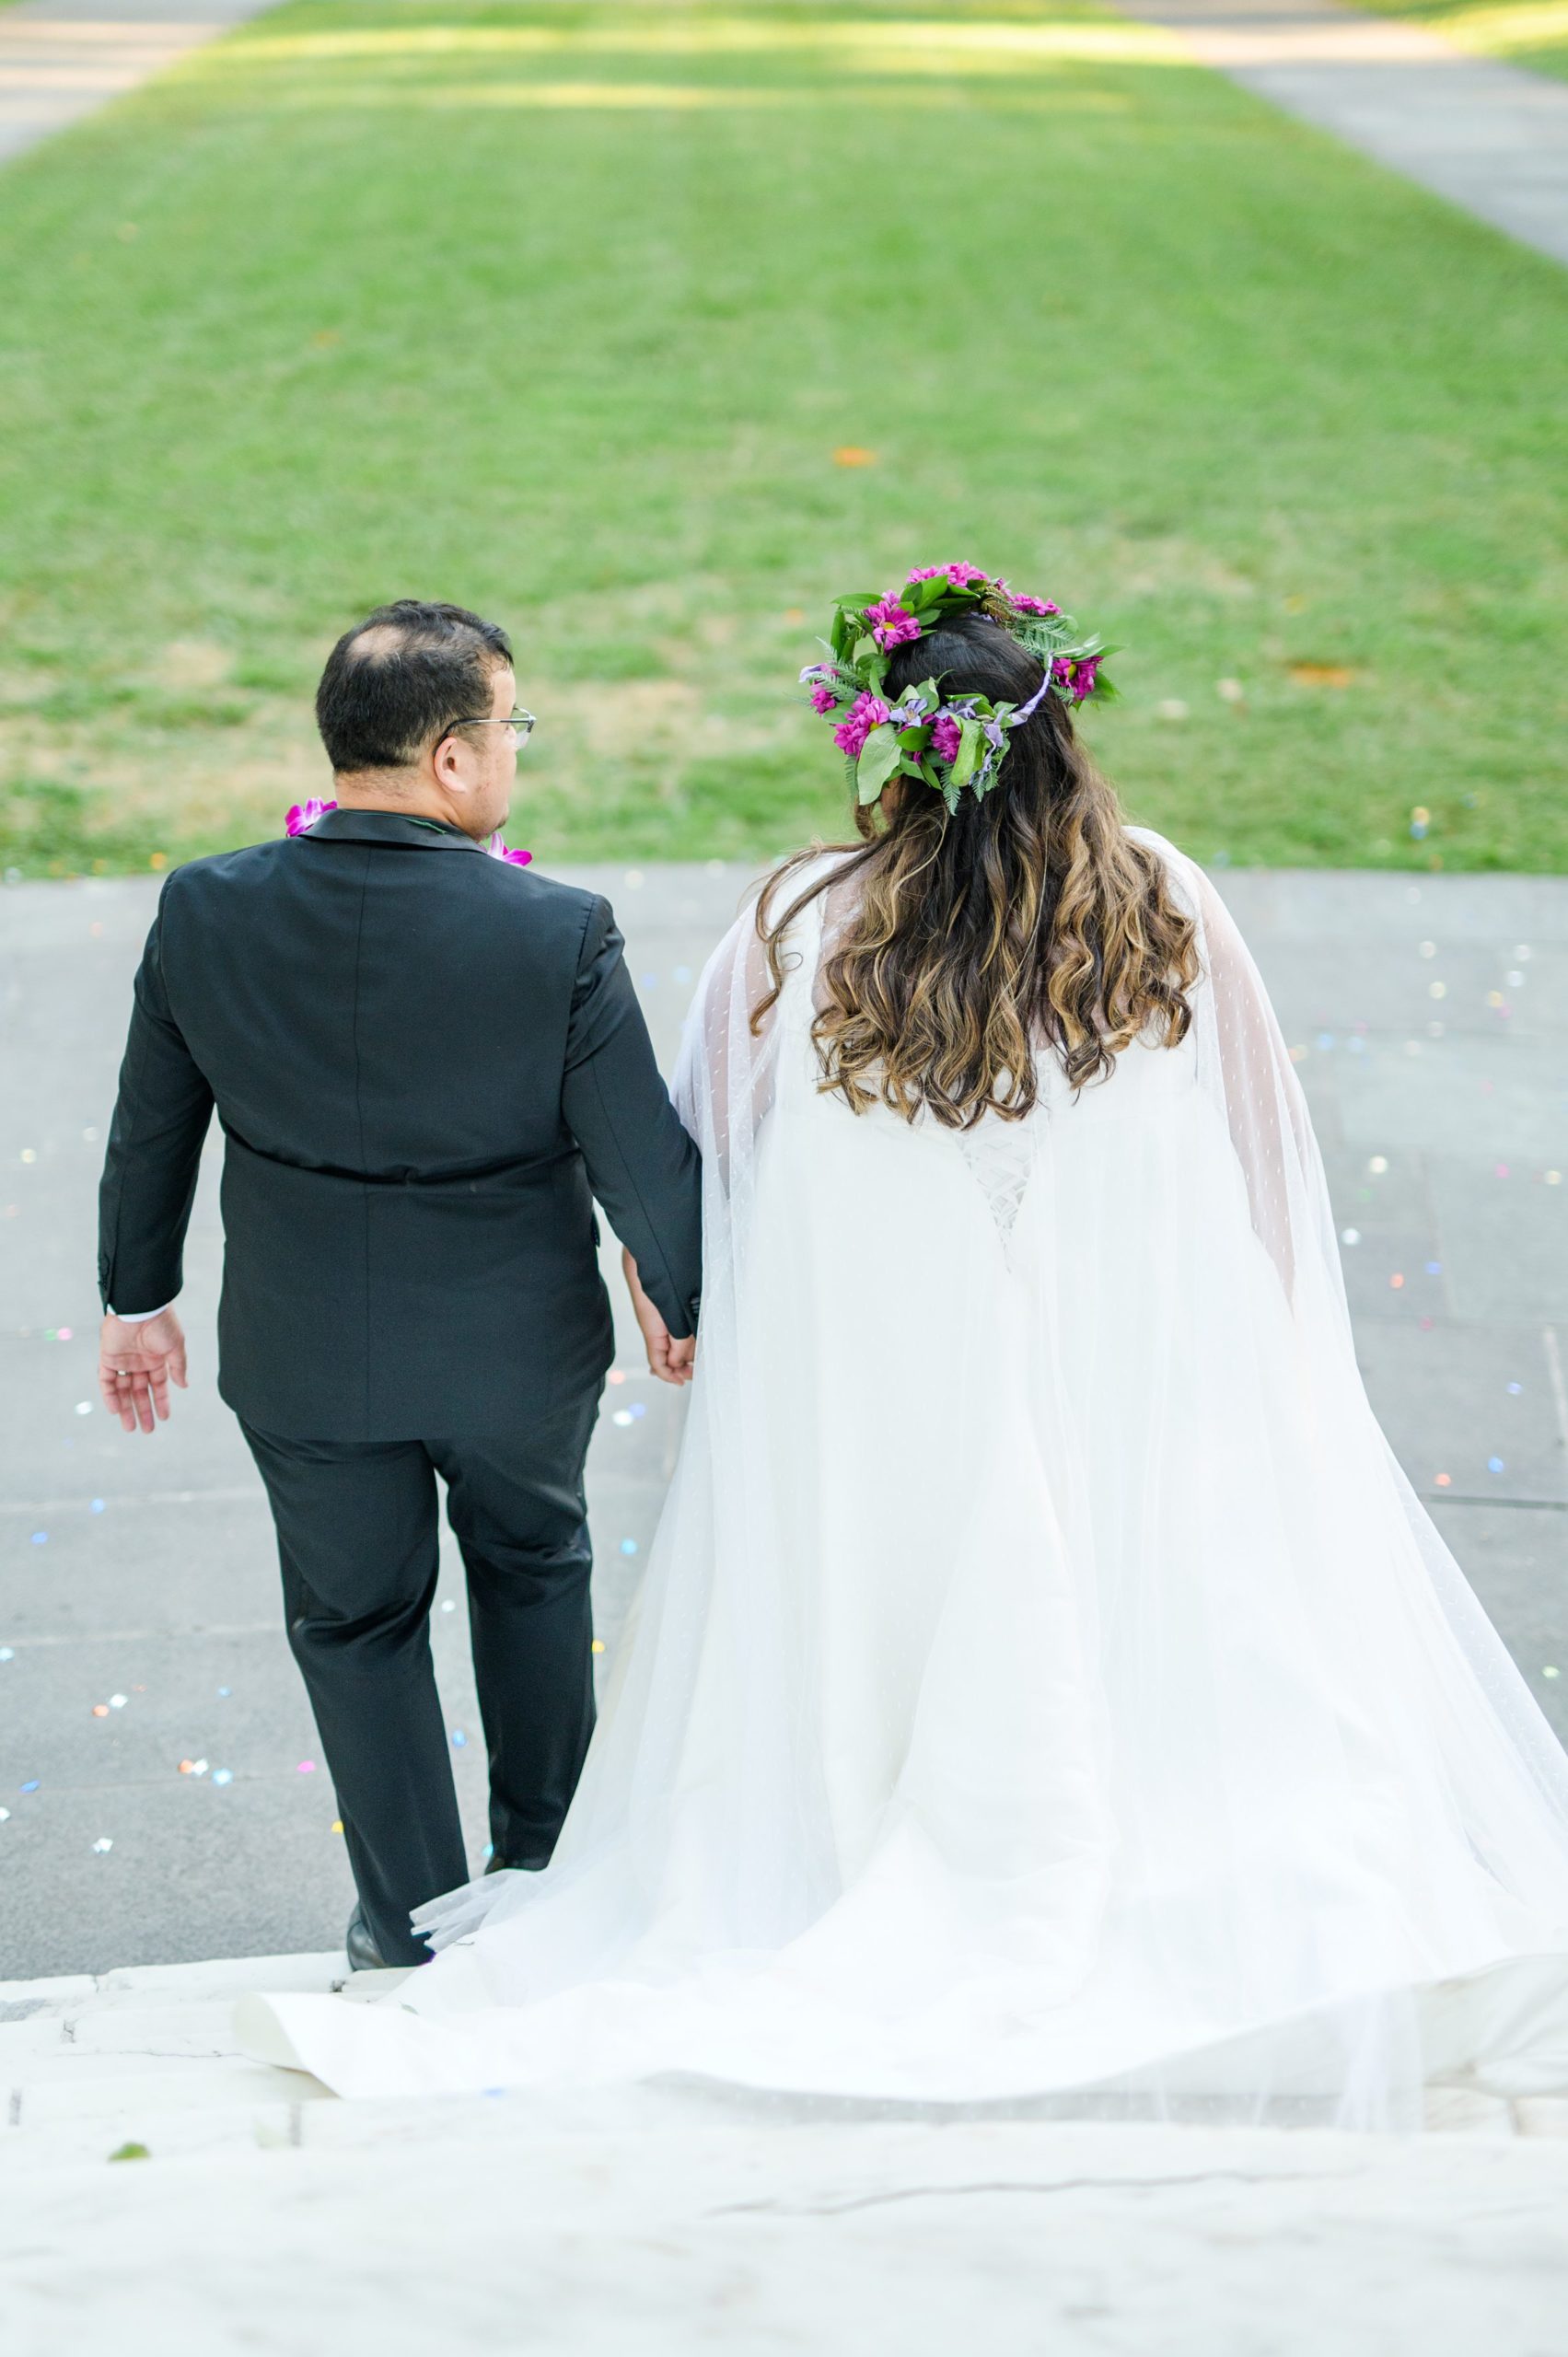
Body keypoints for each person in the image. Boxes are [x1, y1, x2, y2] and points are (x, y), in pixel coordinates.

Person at [243, 566, 1568, 2127]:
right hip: (1119, 1392)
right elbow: (1268, 1160)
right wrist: (1257, 1351)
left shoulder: (798, 925)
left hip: (888, 1414)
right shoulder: (1159, 899)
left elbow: (709, 1167)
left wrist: (698, 1319)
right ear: (1058, 738)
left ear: (888, 753)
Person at [97, 599, 703, 1969]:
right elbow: (637, 1148)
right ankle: (543, 1884)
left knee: (353, 1623)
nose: (513, 754)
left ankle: (413, 1926)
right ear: (449, 760)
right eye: (511, 728)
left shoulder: (204, 907)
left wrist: (140, 1301)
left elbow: (153, 1126)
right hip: (513, 1347)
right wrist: (676, 1289)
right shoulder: (559, 931)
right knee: (534, 1570)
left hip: (303, 1350)